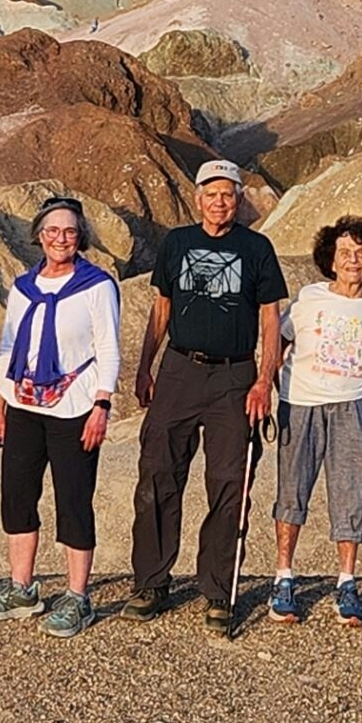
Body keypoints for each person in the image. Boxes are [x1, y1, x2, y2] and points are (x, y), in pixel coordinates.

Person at [126, 159, 286, 634]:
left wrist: (263, 379)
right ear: (197, 199)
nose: (220, 203)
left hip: (234, 376)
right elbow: (161, 309)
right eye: (212, 194)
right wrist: (144, 366)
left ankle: (218, 590)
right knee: (157, 473)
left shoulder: (257, 248)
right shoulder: (176, 243)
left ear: (240, 200)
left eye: (229, 195)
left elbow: (271, 319)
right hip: (178, 369)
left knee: (229, 483)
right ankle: (152, 581)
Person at [0, 196, 119, 638]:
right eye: (53, 231)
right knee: (17, 496)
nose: (61, 239)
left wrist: (102, 405)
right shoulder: (23, 288)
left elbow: (110, 349)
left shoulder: (96, 286)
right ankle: (23, 588)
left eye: (70, 232)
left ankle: (77, 596)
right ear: (39, 235)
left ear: (81, 238)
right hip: (22, 404)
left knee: (74, 498)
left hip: (74, 406)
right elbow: (7, 348)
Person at [267, 216, 362, 628]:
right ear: (331, 260)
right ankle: (284, 577)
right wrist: (273, 382)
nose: (353, 260)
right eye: (344, 253)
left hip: (353, 409)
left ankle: (347, 581)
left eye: (360, 253)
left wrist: (357, 387)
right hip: (300, 403)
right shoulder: (308, 299)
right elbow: (280, 339)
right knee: (292, 489)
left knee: (352, 492)